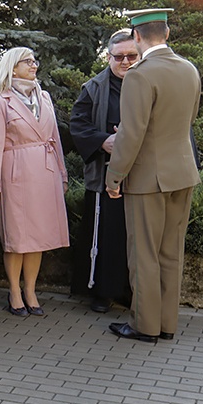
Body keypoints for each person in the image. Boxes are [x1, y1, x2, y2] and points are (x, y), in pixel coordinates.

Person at [106, 8, 201, 343]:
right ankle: (166, 324)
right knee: (171, 253)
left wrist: (114, 175)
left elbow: (132, 133)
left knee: (143, 253)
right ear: (168, 34)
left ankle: (145, 326)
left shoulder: (139, 75)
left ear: (136, 37)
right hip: (183, 173)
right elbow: (187, 121)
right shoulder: (189, 69)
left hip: (148, 179)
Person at [0, 47, 69, 317]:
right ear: (12, 67)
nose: (34, 65)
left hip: (45, 173)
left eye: (35, 60)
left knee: (39, 236)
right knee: (18, 237)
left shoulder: (44, 97)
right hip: (16, 173)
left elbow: (54, 137)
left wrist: (62, 173)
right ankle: (14, 291)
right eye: (28, 61)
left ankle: (31, 290)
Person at [69, 29, 138, 313]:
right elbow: (78, 123)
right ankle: (101, 293)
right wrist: (103, 141)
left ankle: (128, 292)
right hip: (104, 175)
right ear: (108, 57)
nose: (125, 61)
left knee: (132, 238)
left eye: (131, 56)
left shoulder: (148, 82)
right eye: (118, 56)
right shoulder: (93, 88)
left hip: (139, 177)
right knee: (105, 237)